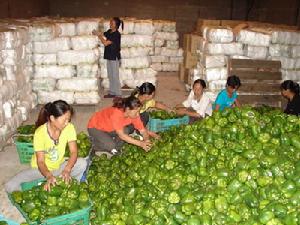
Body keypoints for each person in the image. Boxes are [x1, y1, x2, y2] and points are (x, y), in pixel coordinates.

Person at [5, 100, 87, 193]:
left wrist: (67, 169)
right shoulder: (40, 133)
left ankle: (65, 182)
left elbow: (73, 152)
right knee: (10, 185)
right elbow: (40, 161)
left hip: (59, 167)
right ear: (52, 118)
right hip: (41, 170)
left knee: (82, 163)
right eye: (64, 120)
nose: (67, 123)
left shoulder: (69, 128)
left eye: (68, 119)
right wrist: (48, 176)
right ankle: (46, 181)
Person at [87, 96, 152, 155]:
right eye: (136, 112)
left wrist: (146, 140)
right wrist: (140, 143)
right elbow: (122, 136)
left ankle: (115, 148)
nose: (138, 114)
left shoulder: (134, 115)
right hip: (95, 127)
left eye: (139, 111)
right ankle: (93, 144)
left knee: (126, 130)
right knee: (111, 145)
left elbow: (142, 130)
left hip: (110, 128)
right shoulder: (116, 114)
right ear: (128, 109)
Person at [93, 17, 124, 98]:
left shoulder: (116, 34)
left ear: (116, 25)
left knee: (115, 76)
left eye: (112, 23)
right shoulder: (110, 31)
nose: (110, 24)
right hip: (109, 56)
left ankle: (118, 94)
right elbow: (104, 34)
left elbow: (106, 43)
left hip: (114, 57)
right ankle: (112, 92)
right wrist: (98, 32)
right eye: (110, 22)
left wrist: (99, 36)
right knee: (110, 75)